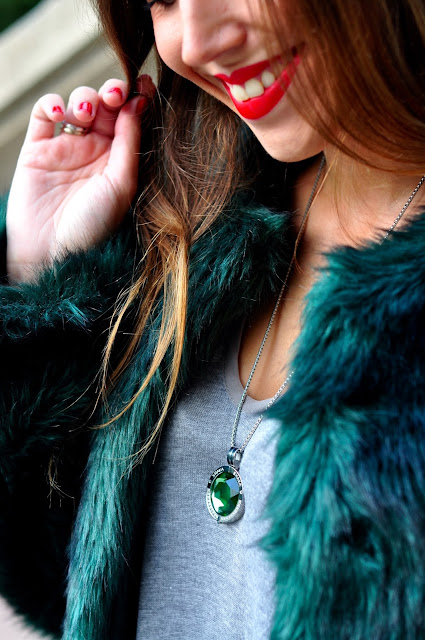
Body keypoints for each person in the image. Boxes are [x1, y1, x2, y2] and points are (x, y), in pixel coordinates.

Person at [1, 0, 425, 638]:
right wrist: (45, 281)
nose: (197, 42)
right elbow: (69, 593)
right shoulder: (193, 220)